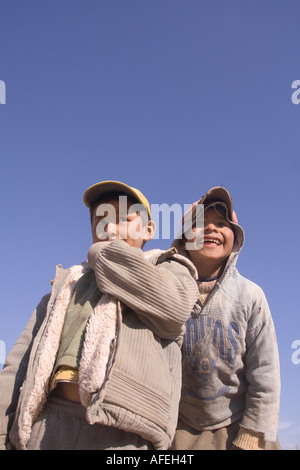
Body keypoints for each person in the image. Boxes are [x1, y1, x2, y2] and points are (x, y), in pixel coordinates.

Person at [0, 180, 199, 450]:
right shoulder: (66, 284)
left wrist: (104, 253)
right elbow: (17, 365)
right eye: (100, 220)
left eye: (123, 219)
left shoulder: (168, 268)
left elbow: (174, 308)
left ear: (149, 229)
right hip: (48, 424)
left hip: (124, 433)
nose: (110, 228)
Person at [172, 186, 281, 450]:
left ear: (236, 237)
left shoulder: (250, 296)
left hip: (237, 424)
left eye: (222, 223)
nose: (211, 229)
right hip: (179, 428)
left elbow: (265, 371)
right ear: (184, 239)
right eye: (200, 224)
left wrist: (252, 435)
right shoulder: (166, 291)